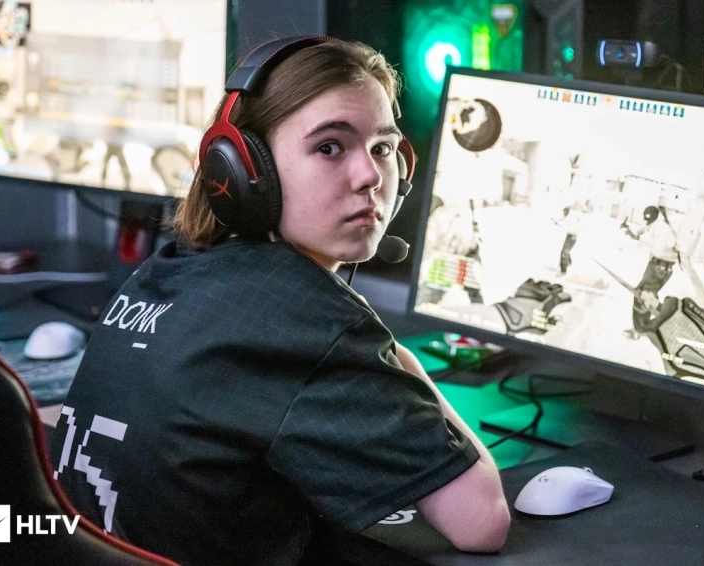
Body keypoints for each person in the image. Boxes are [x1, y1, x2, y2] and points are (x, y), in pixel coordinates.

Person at [49, 37, 510, 566]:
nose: (370, 176)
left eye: (383, 148)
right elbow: (482, 521)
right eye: (329, 147)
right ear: (244, 170)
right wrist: (392, 356)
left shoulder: (168, 270)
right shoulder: (307, 319)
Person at [628, 205, 679, 336]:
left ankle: (645, 328)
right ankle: (647, 324)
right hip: (661, 266)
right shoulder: (660, 225)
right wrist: (635, 234)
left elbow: (660, 245)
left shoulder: (661, 227)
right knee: (645, 295)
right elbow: (645, 230)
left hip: (659, 266)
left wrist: (638, 237)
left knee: (642, 295)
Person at [554, 205, 580, 275]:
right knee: (566, 251)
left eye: (566, 212)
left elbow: (577, 227)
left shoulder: (572, 218)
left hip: (572, 236)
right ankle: (568, 263)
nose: (564, 213)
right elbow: (561, 219)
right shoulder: (566, 216)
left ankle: (563, 271)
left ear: (568, 212)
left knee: (564, 253)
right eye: (564, 212)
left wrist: (574, 234)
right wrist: (557, 221)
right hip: (569, 235)